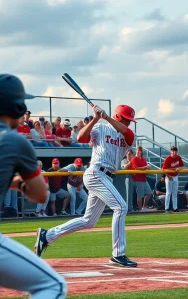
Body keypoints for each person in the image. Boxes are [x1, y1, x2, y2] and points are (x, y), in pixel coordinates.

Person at [0, 73, 66, 298]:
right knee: (53, 286)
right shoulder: (16, 140)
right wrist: (19, 184)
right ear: (16, 106)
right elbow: (40, 195)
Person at [35, 104, 138, 267]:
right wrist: (97, 118)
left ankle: (47, 236)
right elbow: (81, 139)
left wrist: (106, 117)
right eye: (127, 120)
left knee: (88, 221)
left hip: (107, 177)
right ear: (119, 117)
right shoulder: (100, 127)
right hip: (96, 172)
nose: (129, 123)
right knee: (121, 207)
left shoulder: (128, 134)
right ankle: (118, 254)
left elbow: (128, 134)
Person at [162, 146, 184, 213]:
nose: (174, 152)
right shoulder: (168, 158)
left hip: (175, 176)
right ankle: (166, 208)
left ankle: (175, 208)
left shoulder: (178, 157)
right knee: (168, 192)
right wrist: (168, 176)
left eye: (175, 151)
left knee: (175, 193)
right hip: (169, 177)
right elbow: (163, 169)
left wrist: (179, 168)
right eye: (173, 151)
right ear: (171, 152)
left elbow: (182, 166)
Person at [130, 146, 152, 212]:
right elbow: (136, 168)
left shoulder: (143, 159)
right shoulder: (134, 159)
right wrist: (146, 167)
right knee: (140, 195)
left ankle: (143, 207)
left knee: (149, 193)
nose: (139, 151)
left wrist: (147, 167)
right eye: (138, 150)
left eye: (140, 150)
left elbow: (146, 167)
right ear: (136, 150)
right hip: (137, 179)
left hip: (144, 178)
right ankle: (140, 209)